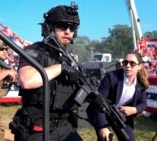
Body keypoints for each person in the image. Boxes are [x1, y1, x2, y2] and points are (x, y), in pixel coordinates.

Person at [9, 2, 103, 141]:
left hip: (66, 128)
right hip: (38, 130)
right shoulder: (34, 51)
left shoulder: (70, 58)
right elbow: (26, 80)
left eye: (72, 28)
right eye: (62, 26)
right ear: (49, 27)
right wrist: (61, 68)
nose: (68, 31)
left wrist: (93, 95)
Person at [87, 51, 149, 141]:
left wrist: (134, 110)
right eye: (125, 62)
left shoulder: (141, 82)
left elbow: (143, 104)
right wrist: (103, 127)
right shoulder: (110, 77)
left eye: (132, 63)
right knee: (105, 138)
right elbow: (98, 102)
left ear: (139, 66)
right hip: (103, 112)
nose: (128, 65)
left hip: (122, 116)